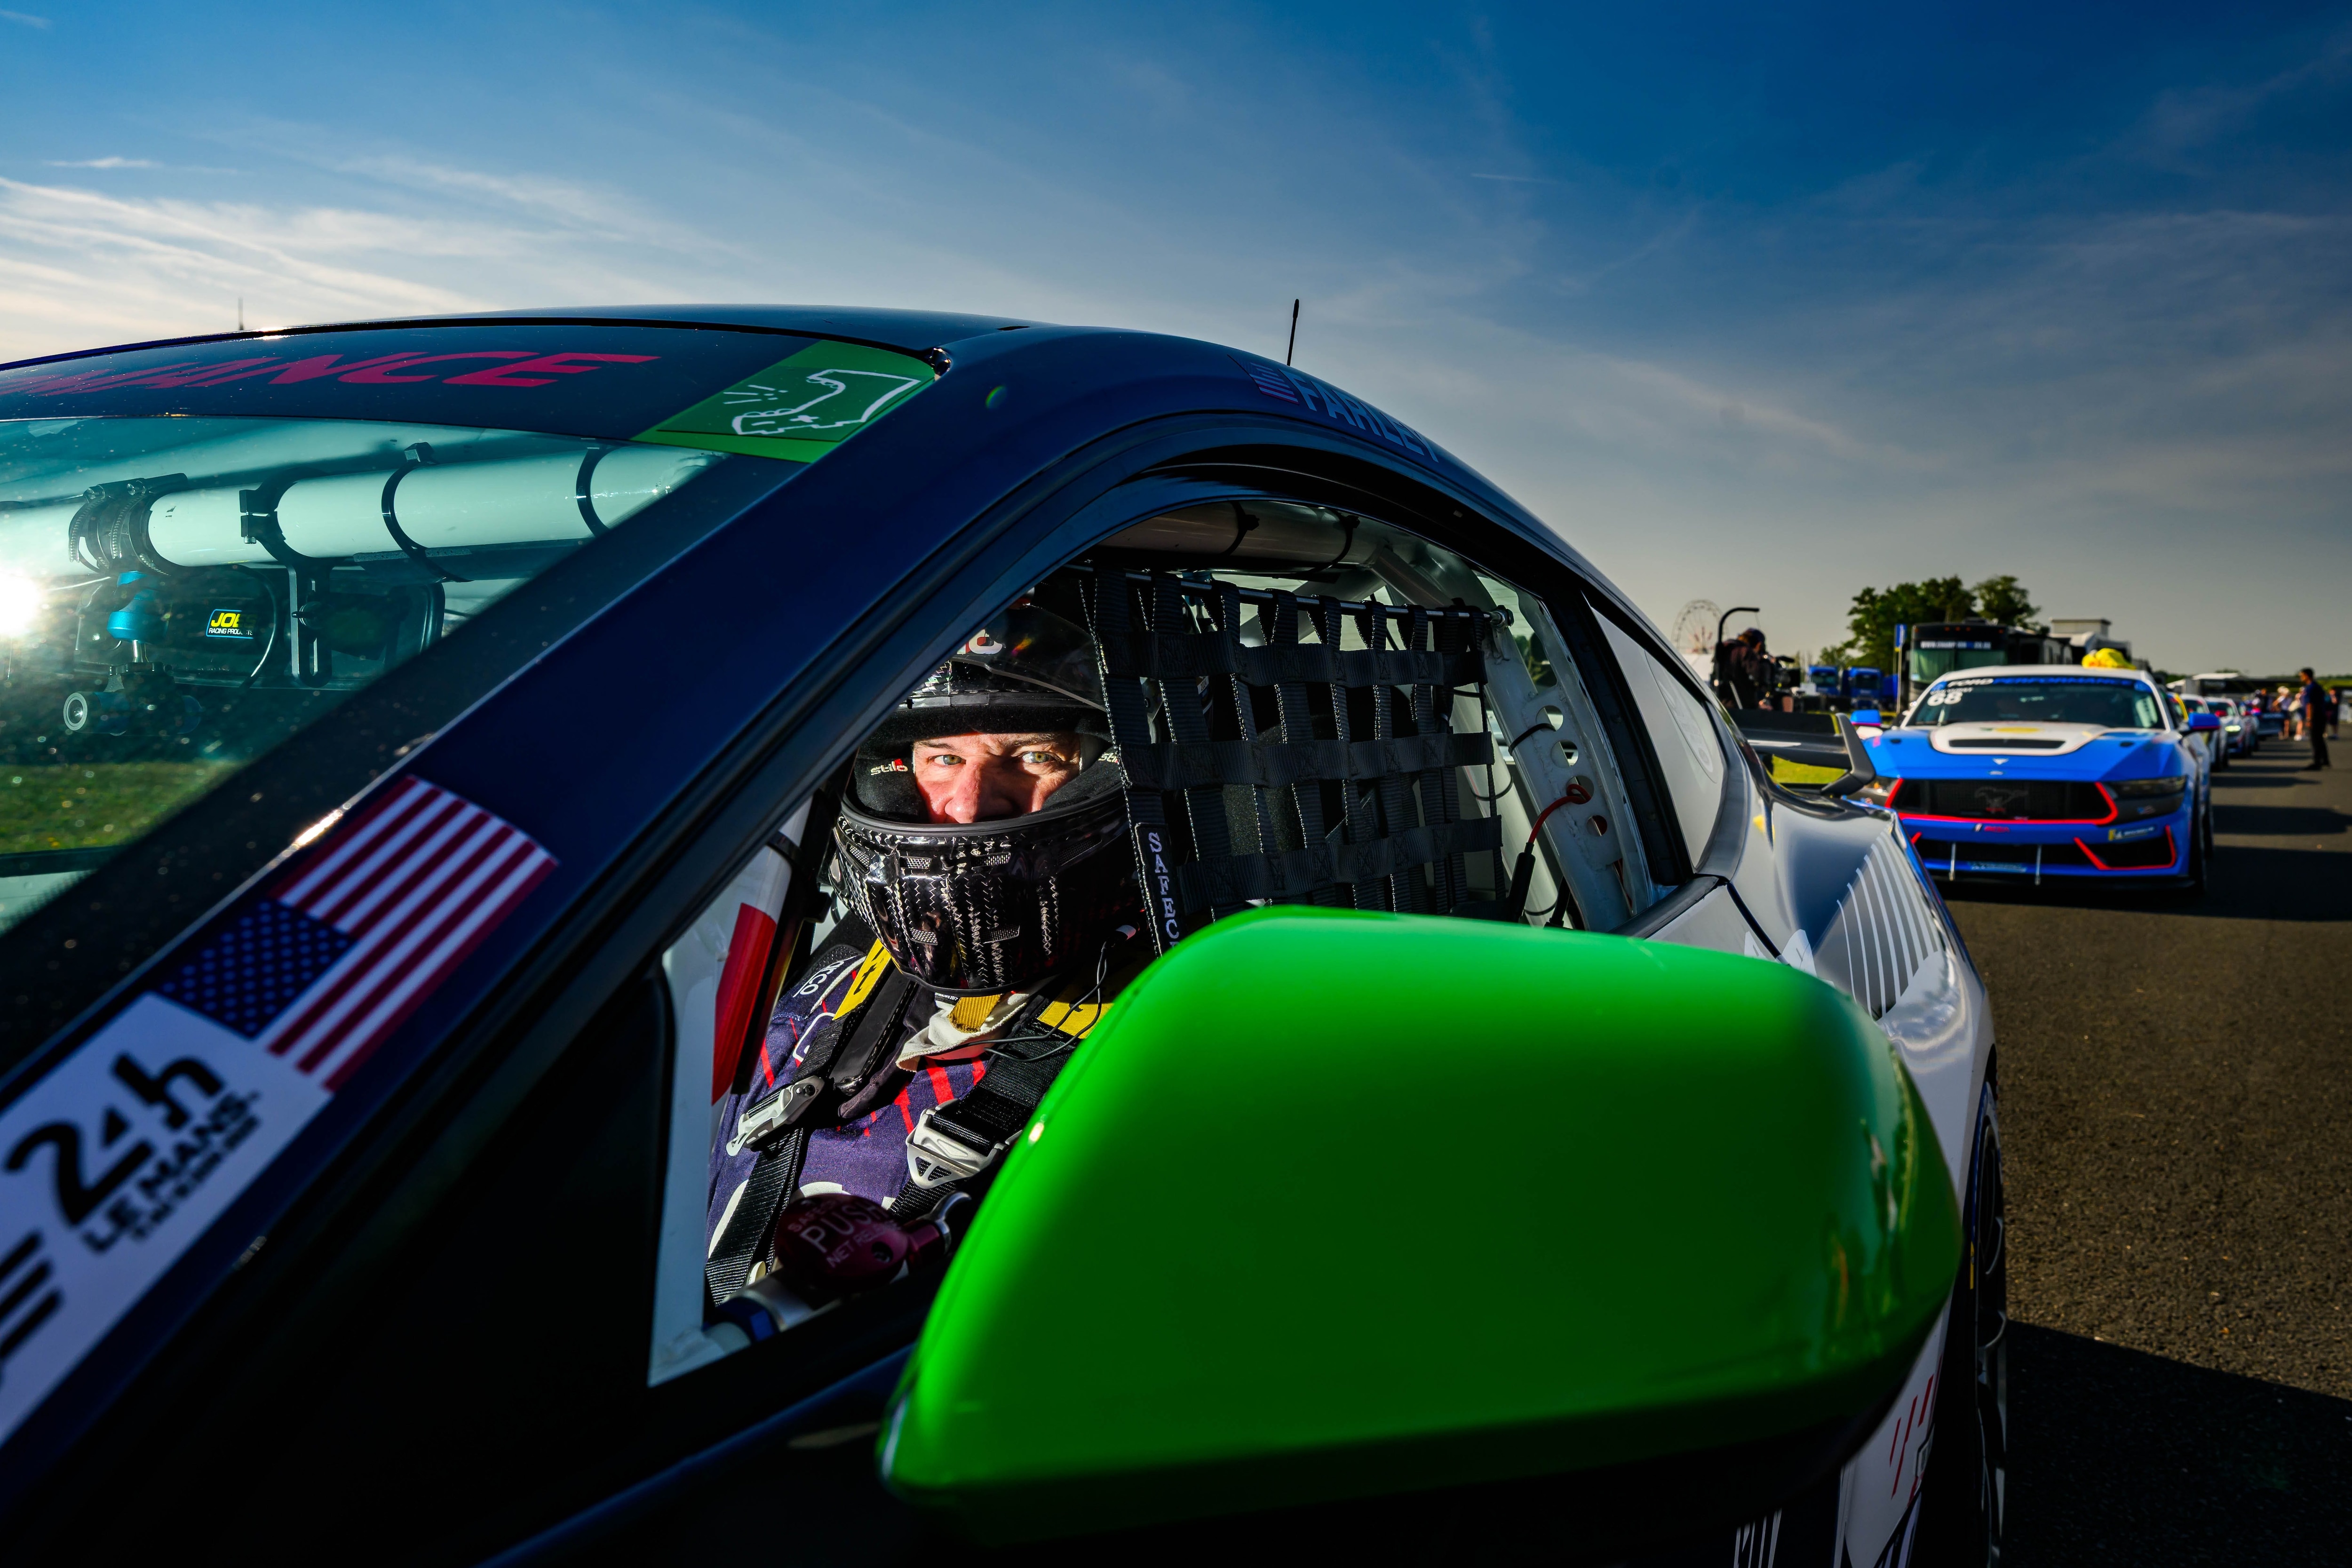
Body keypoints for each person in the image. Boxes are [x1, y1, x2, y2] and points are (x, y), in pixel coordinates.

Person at [705, 599, 1146, 1305]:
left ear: (1105, 770)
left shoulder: (1171, 1010)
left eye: (1033, 756)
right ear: (899, 771)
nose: (970, 807)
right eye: (944, 757)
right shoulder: (847, 954)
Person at [2297, 668, 2331, 770]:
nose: (2301, 678)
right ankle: (2325, 760)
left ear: (2307, 675)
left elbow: (2309, 705)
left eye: (2302, 675)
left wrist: (2309, 719)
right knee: (2319, 739)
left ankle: (2317, 762)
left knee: (2315, 739)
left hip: (2315, 716)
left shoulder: (2310, 688)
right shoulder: (2317, 686)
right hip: (2321, 715)